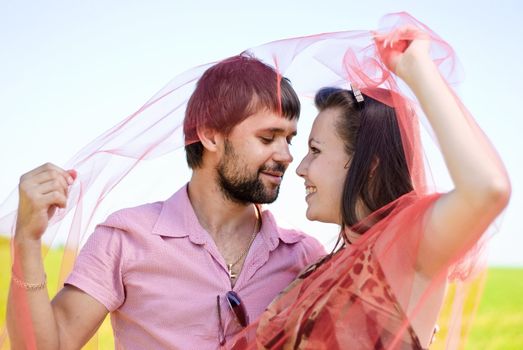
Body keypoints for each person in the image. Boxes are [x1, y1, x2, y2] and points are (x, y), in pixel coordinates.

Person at [6, 55, 325, 349]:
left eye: (290, 139)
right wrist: (27, 240)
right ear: (211, 135)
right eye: (267, 138)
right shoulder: (126, 238)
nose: (286, 156)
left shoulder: (306, 258)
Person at [229, 26, 511, 349]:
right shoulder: (326, 263)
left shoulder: (405, 248)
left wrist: (416, 68)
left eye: (316, 150)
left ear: (370, 164)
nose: (301, 168)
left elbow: (486, 188)